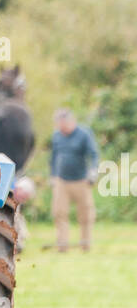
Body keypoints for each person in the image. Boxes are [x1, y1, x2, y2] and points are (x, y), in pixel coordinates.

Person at [49, 108, 98, 252]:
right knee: (59, 213)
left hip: (81, 180)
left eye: (63, 124)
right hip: (61, 180)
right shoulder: (57, 136)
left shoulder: (84, 134)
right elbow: (53, 157)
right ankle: (62, 246)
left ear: (71, 122)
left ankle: (85, 244)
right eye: (59, 124)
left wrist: (93, 172)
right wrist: (53, 175)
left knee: (85, 214)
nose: (61, 127)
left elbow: (94, 154)